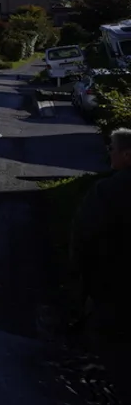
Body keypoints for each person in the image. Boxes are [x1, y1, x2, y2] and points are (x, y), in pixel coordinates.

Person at [73, 128, 131, 347]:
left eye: (112, 148)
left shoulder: (108, 191)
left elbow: (84, 236)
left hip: (112, 286)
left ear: (127, 155)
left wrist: (82, 280)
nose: (109, 153)